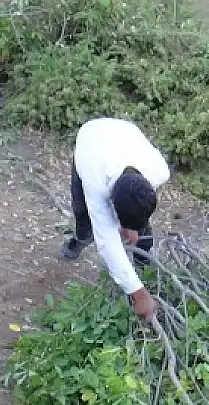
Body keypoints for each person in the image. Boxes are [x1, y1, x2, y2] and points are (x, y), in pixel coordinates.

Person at [60, 117, 171, 320]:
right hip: (91, 138)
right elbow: (107, 242)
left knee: (142, 230)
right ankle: (80, 239)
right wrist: (138, 293)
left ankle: (144, 267)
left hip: (123, 133)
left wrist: (133, 227)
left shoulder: (159, 171)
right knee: (83, 216)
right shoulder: (95, 182)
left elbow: (141, 200)